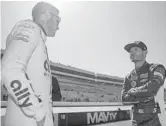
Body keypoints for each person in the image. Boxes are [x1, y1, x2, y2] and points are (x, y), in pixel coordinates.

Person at [1, 2, 61, 126]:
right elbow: (9, 70)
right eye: (57, 20)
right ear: (45, 15)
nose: (58, 26)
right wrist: (37, 113)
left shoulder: (39, 39)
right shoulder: (30, 28)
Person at [121, 41, 166, 126]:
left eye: (135, 49)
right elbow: (124, 100)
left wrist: (132, 92)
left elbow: (152, 89)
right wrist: (144, 95)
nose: (132, 53)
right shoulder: (128, 77)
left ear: (145, 52)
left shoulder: (157, 68)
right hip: (136, 122)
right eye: (130, 51)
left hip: (155, 120)